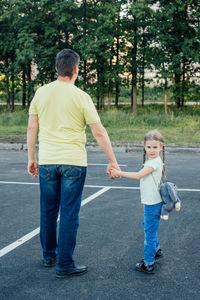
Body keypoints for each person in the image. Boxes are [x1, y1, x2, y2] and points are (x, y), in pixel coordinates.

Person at [27, 49, 120, 279]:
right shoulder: (81, 96)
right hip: (73, 163)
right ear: (76, 70)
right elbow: (98, 132)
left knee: (48, 211)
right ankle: (65, 264)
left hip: (48, 161)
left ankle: (49, 255)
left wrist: (31, 158)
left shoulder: (41, 93)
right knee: (69, 213)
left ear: (57, 68)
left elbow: (31, 128)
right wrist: (112, 160)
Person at [111, 129, 165, 274]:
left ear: (161, 147)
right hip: (151, 201)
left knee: (149, 232)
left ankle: (148, 263)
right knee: (149, 227)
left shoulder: (154, 162)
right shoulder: (152, 160)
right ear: (144, 146)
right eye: (149, 147)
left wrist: (119, 173)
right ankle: (156, 250)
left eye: (155, 147)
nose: (152, 150)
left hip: (152, 203)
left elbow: (138, 175)